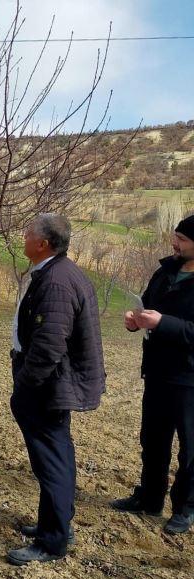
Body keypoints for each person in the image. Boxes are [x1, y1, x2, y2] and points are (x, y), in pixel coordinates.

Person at [6, 213, 105, 565]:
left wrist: (26, 385)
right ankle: (57, 522)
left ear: (43, 244)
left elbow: (49, 345)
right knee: (56, 456)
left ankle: (53, 541)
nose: (23, 237)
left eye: (28, 233)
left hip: (48, 386)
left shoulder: (57, 282)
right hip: (52, 383)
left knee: (53, 462)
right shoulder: (57, 272)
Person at [111, 215, 194, 534]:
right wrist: (136, 320)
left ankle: (185, 508)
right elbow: (149, 308)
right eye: (175, 236)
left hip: (190, 378)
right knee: (153, 440)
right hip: (158, 372)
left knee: (190, 449)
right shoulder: (165, 271)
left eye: (182, 239)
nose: (174, 243)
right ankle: (149, 497)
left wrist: (163, 323)